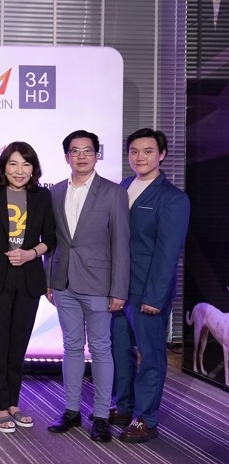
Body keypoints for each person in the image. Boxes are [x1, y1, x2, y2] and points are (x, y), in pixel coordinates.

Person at [46, 130, 130, 443]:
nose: (81, 156)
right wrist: (49, 281)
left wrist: (119, 289)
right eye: (75, 151)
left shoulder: (113, 192)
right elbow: (52, 240)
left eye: (87, 150)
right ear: (66, 156)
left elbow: (121, 243)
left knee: (100, 349)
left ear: (97, 155)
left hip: (99, 285)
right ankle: (71, 411)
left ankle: (101, 415)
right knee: (70, 347)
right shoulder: (55, 191)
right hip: (63, 283)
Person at [111, 128, 189, 443]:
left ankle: (146, 418)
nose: (140, 157)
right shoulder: (123, 186)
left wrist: (155, 297)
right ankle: (124, 406)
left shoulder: (173, 198)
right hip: (118, 288)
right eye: (134, 151)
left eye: (147, 151)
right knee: (120, 350)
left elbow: (168, 253)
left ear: (162, 155)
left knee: (151, 356)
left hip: (147, 292)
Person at [0, 141, 56, 434]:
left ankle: (13, 403)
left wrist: (31, 254)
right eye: (13, 164)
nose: (19, 170)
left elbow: (50, 238)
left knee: (17, 346)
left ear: (33, 169)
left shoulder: (42, 197)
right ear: (3, 167)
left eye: (26, 164)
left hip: (28, 279)